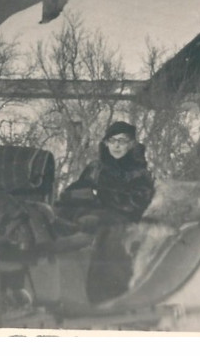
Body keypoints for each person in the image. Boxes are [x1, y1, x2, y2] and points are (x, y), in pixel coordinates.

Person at [56, 121, 155, 304]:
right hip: (91, 213)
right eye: (112, 140)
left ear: (131, 144)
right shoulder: (96, 168)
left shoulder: (139, 172)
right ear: (106, 143)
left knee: (108, 233)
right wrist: (74, 198)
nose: (116, 145)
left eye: (122, 141)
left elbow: (137, 203)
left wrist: (102, 197)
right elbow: (78, 188)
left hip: (122, 219)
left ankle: (107, 294)